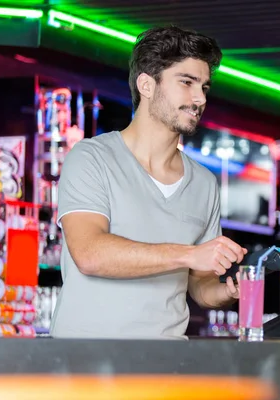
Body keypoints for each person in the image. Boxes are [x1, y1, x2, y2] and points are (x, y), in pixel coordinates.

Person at [51, 26, 247, 339]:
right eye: (186, 82)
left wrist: (229, 291)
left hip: (163, 366)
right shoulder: (91, 157)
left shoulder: (204, 183)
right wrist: (187, 254)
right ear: (147, 85)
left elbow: (199, 285)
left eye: (205, 88)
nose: (199, 98)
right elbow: (90, 254)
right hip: (85, 364)